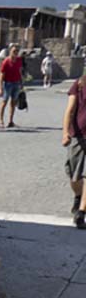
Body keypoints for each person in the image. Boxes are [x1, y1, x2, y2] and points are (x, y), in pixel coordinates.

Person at [62, 74, 86, 227]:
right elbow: (69, 110)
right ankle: (78, 195)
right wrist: (65, 133)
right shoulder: (79, 84)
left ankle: (81, 212)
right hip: (78, 135)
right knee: (74, 175)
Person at [0, 44, 24, 128]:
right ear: (10, 51)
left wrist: (21, 83)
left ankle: (10, 121)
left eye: (17, 51)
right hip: (7, 83)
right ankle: (1, 121)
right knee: (4, 102)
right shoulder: (6, 61)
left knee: (13, 103)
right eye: (14, 51)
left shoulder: (19, 60)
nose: (15, 53)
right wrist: (0, 88)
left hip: (16, 83)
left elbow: (19, 71)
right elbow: (1, 75)